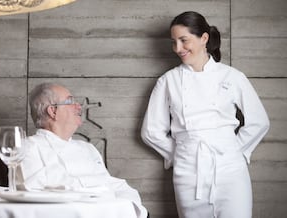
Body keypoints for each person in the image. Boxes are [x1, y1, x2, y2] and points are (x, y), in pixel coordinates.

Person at [141, 11, 270, 218]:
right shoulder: (168, 81)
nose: (178, 49)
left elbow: (259, 122)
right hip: (188, 173)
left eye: (184, 40)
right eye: (174, 42)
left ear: (204, 38)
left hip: (231, 171)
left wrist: (234, 150)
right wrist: (182, 153)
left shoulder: (232, 76)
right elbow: (150, 131)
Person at [19, 82, 148, 218]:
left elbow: (113, 184)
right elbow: (33, 194)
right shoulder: (28, 148)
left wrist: (133, 208)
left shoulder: (87, 148)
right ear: (53, 111)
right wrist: (99, 190)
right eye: (70, 101)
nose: (79, 106)